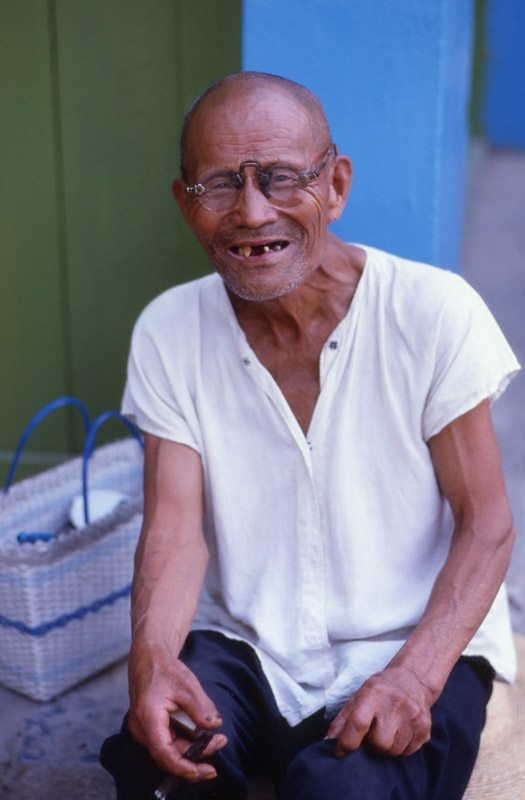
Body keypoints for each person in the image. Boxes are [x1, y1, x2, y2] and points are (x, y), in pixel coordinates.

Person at [100, 72, 520, 799]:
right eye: (220, 185)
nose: (252, 211)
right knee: (155, 762)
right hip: (249, 648)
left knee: (343, 791)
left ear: (335, 186)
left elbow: (484, 523)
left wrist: (415, 678)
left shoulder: (431, 313)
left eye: (282, 178)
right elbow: (173, 532)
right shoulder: (169, 330)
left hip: (409, 643)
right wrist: (151, 659)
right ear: (185, 204)